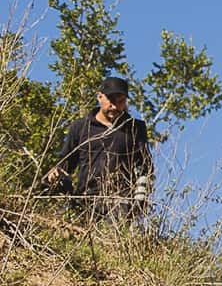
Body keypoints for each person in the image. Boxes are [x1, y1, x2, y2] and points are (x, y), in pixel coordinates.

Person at [43, 76, 154, 219]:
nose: (114, 106)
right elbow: (66, 163)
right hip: (84, 200)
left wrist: (140, 198)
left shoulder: (135, 128)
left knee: (112, 240)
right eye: (111, 100)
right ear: (100, 97)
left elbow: (145, 166)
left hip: (120, 202)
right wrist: (55, 174)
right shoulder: (81, 126)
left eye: (120, 101)